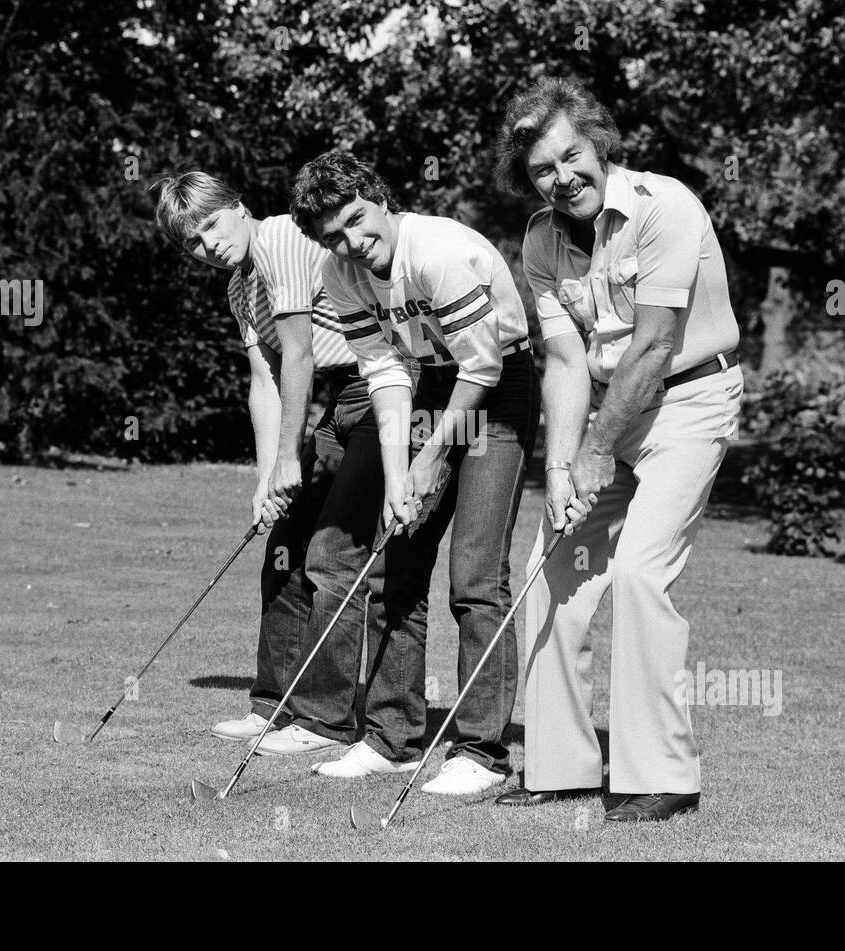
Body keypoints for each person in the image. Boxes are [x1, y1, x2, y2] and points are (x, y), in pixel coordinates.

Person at [491, 78, 743, 821]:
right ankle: (559, 765)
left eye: (571, 156)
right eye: (541, 168)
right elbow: (567, 364)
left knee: (636, 572)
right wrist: (563, 468)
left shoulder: (666, 207)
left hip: (691, 401)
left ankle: (661, 773)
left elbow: (658, 343)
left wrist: (597, 451)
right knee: (547, 568)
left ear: (598, 144)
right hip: (614, 412)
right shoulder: (540, 241)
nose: (561, 176)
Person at [289, 151, 540, 795]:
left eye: (356, 220)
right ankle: (392, 738)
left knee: (476, 574)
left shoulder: (440, 252)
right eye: (333, 236)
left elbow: (481, 369)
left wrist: (431, 461)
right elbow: (385, 373)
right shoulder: (339, 273)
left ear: (378, 197)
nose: (351, 242)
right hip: (425, 384)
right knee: (399, 561)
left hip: (499, 384)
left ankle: (481, 750)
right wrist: (401, 476)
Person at [153, 171, 376, 756]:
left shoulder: (280, 239)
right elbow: (265, 380)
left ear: (237, 207)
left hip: (379, 388)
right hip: (333, 400)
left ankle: (323, 719)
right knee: (282, 553)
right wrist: (265, 480)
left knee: (330, 558)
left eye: (210, 224)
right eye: (194, 243)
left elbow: (299, 354)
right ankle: (274, 707)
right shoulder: (237, 288)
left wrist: (288, 461)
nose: (209, 245)